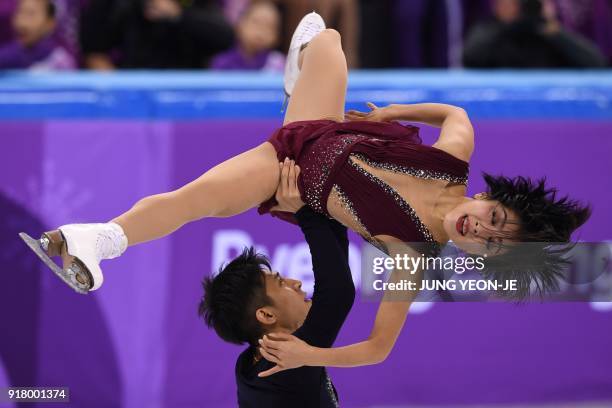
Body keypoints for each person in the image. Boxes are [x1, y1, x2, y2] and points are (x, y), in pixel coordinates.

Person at [22, 12, 590, 368]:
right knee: (327, 34)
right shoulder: (452, 156)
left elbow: (377, 350)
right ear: (493, 199)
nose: (480, 231)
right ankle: (297, 81)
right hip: (323, 127)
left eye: (492, 244)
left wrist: (311, 355)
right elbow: (456, 110)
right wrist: (397, 110)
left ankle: (92, 242)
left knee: (192, 200)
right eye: (495, 218)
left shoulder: (412, 257)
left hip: (289, 168)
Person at [199, 160, 354, 407]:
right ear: (266, 314)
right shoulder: (286, 363)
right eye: (281, 283)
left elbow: (337, 283)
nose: (297, 283)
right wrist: (306, 212)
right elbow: (338, 294)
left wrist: (330, 211)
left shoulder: (252, 364)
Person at [79, 0, 234, 70]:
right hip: (133, 89)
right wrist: (119, 91)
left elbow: (224, 38)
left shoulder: (196, 5)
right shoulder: (117, 4)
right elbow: (94, 52)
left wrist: (177, 15)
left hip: (187, 94)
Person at [463, 0, 607, 68]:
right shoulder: (491, 30)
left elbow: (596, 63)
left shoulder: (550, 34)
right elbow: (470, 57)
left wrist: (557, 33)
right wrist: (508, 26)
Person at [211, 0, 285, 72]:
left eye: (269, 26)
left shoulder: (279, 64)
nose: (261, 31)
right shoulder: (222, 63)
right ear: (240, 25)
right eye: (256, 23)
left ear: (276, 36)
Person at [0, 0, 75, 70]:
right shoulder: (12, 53)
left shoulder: (61, 62)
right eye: (19, 12)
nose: (22, 22)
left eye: (31, 14)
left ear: (50, 22)